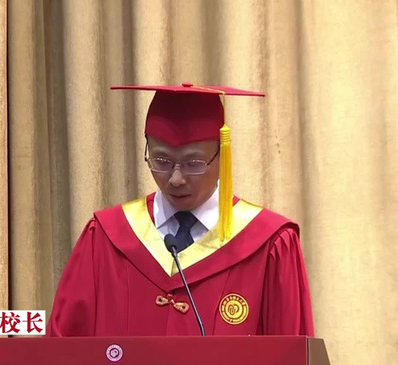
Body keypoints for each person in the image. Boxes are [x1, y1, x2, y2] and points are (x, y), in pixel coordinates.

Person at [47, 83, 314, 337]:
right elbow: (62, 351)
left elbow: (291, 358)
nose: (175, 179)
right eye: (161, 161)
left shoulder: (269, 243)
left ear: (222, 156)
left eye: (193, 163)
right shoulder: (107, 237)